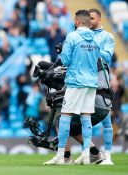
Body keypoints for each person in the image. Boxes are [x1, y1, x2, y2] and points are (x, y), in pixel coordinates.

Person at [43, 10, 101, 165]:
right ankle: (87, 156)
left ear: (76, 21)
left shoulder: (72, 36)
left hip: (76, 82)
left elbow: (66, 60)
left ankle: (62, 155)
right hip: (91, 83)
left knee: (64, 117)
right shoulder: (96, 38)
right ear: (89, 22)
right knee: (86, 117)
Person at [88, 8, 115, 165]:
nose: (89, 21)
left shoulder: (107, 37)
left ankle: (108, 155)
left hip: (101, 81)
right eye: (87, 18)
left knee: (106, 120)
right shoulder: (83, 34)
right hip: (84, 81)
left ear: (99, 19)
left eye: (91, 18)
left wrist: (93, 45)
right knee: (85, 118)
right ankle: (88, 153)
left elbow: (107, 57)